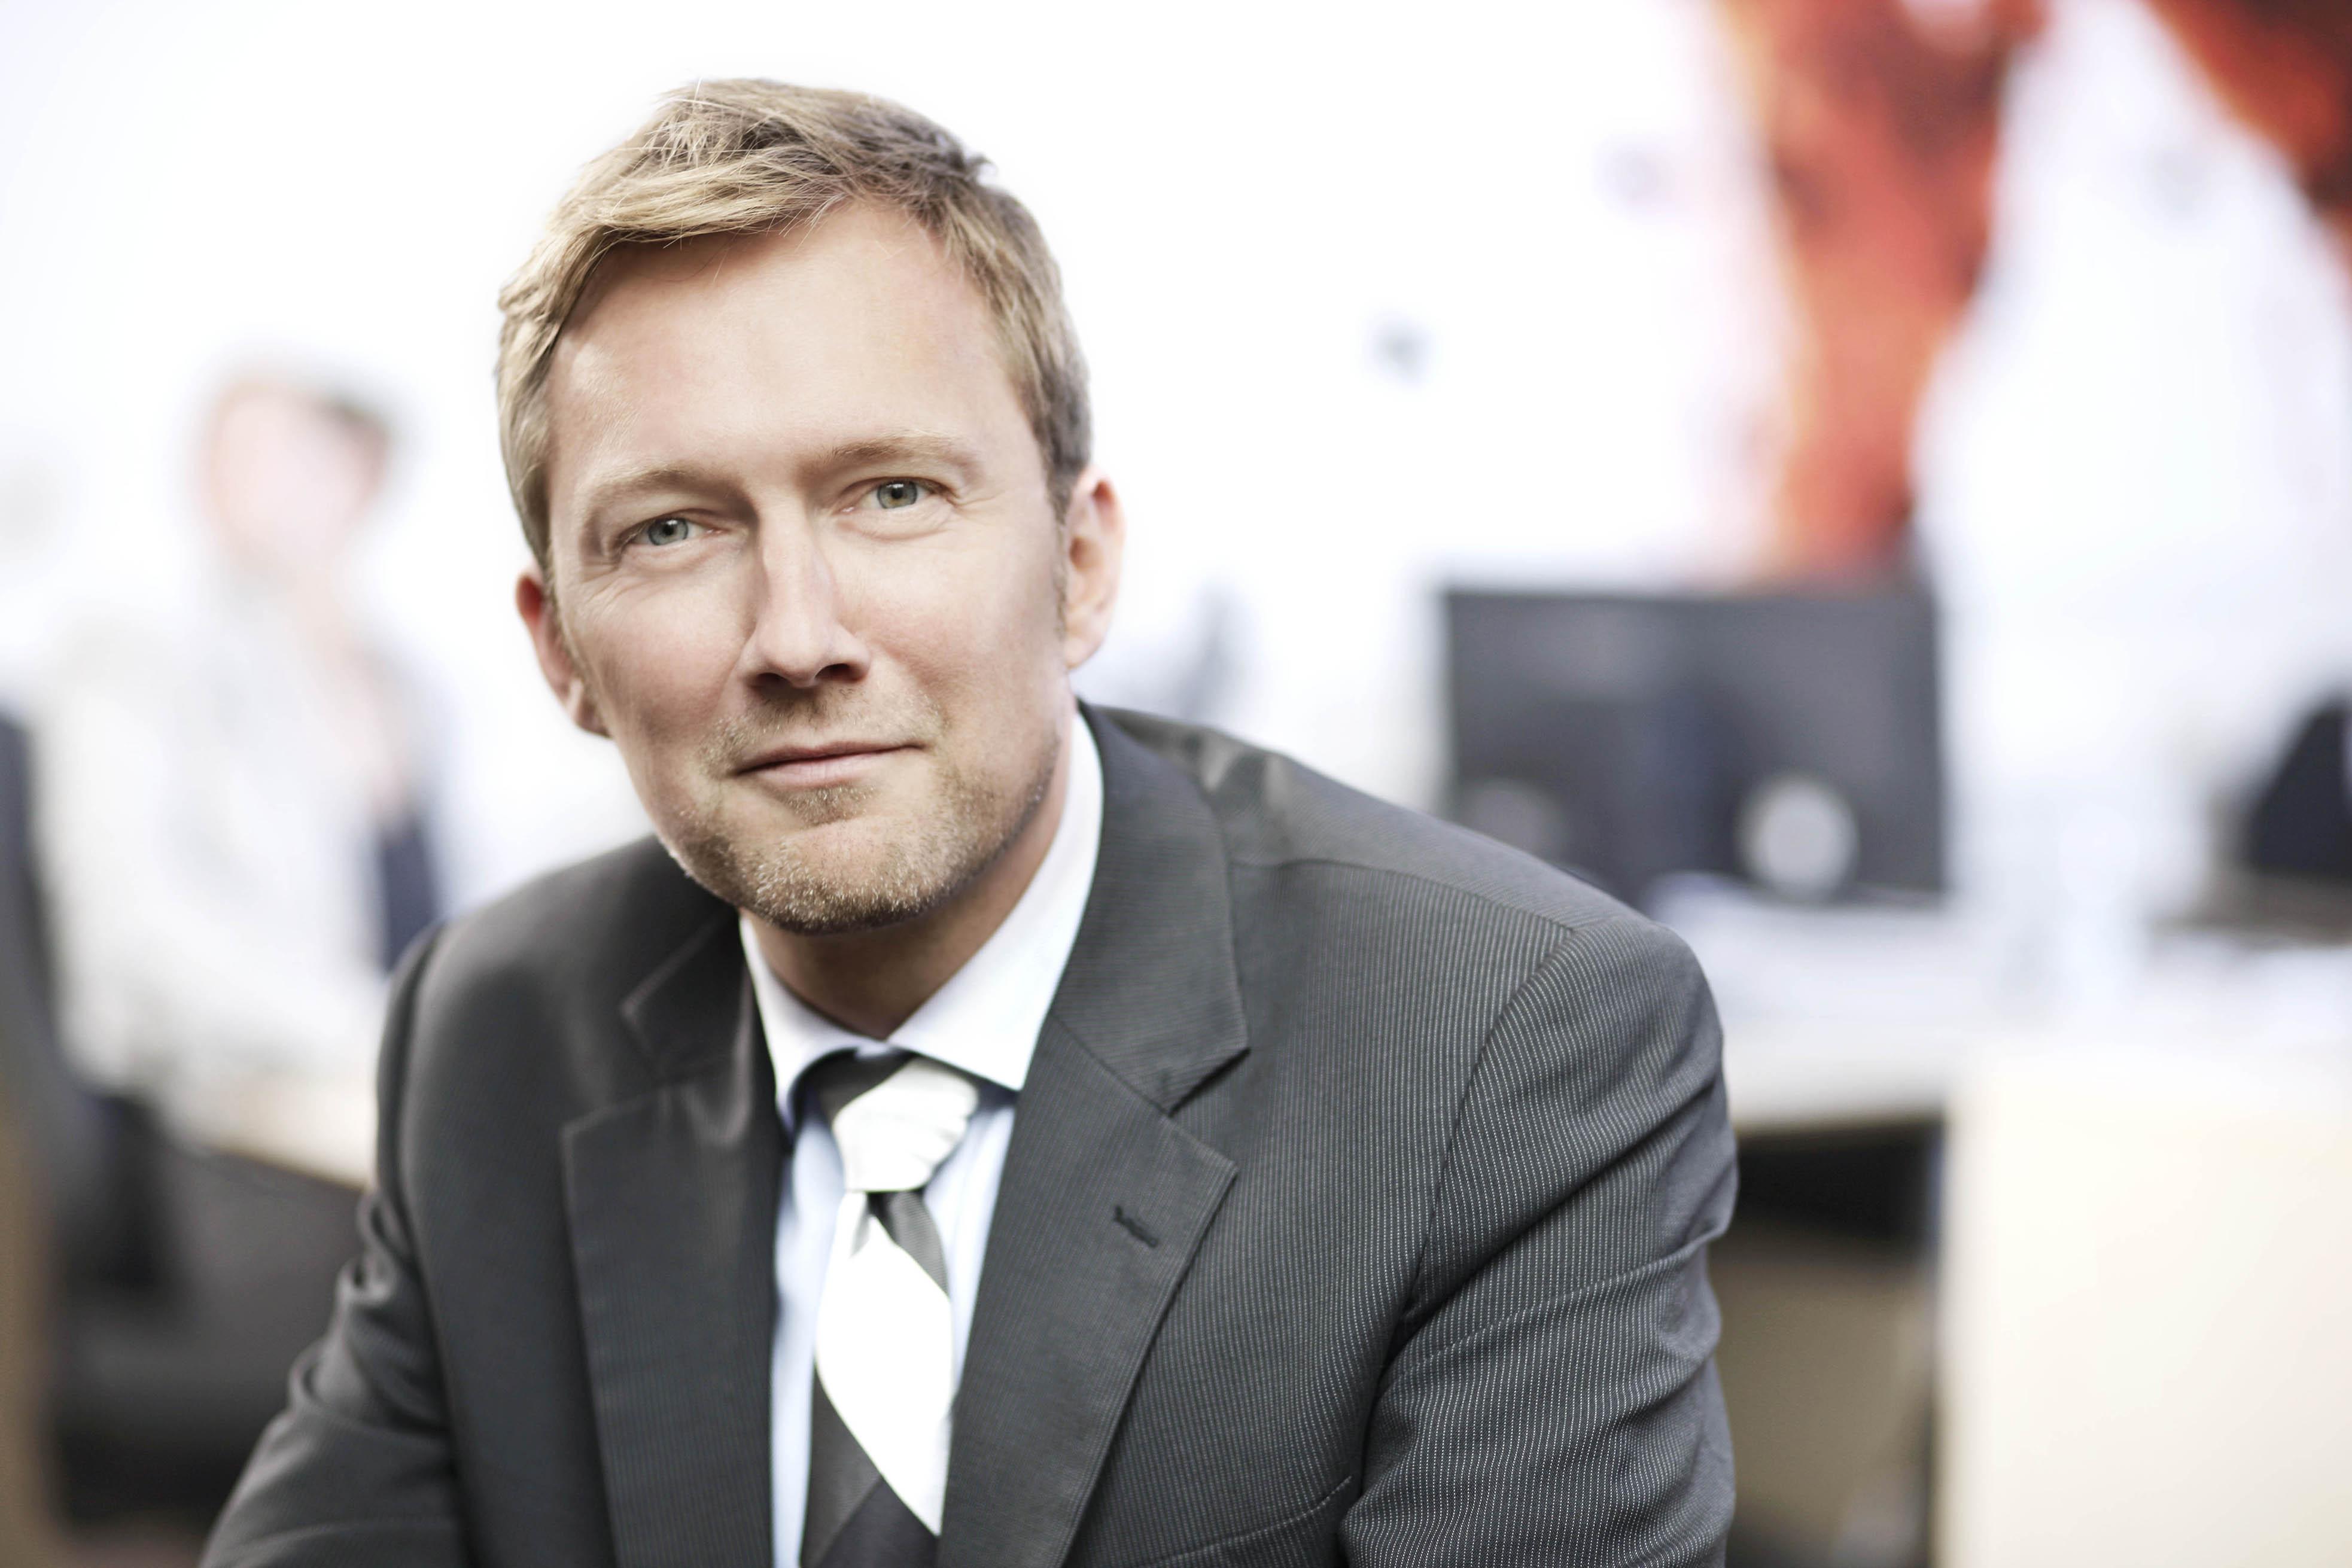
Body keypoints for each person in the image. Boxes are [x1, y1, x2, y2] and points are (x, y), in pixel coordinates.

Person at [204, 81, 1736, 1567]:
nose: (798, 636)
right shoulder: (496, 1035)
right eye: (672, 530)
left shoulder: (1506, 1049)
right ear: (560, 653)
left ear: (1078, 567)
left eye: (892, 494)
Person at [35, 374, 440, 1167]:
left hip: (389, 1077)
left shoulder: (405, 687)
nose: (271, 483)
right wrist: (372, 1028)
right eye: (241, 454)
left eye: (302, 456)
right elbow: (138, 935)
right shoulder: (135, 655)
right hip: (237, 1110)